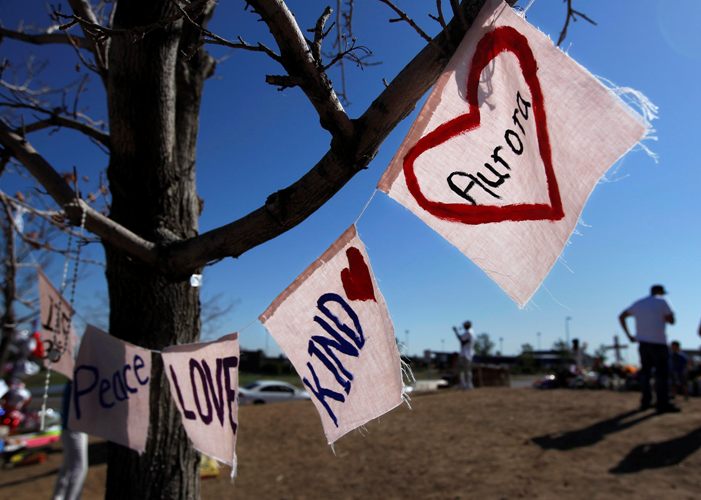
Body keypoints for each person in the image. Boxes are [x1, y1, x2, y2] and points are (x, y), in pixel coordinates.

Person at [619, 284, 679, 413]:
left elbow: (622, 316)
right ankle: (662, 403)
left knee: (645, 373)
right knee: (661, 374)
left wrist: (629, 335)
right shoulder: (662, 301)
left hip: (643, 344)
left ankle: (646, 401)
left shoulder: (639, 303)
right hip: (659, 343)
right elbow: (672, 320)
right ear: (660, 292)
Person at [52, 382, 88, 500]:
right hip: (74, 429)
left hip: (70, 428)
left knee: (68, 466)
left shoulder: (73, 382)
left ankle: (58, 496)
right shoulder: (77, 382)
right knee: (79, 468)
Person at [452, 321, 474, 390]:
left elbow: (461, 340)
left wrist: (455, 332)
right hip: (469, 353)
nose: (464, 326)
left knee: (462, 370)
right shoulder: (471, 332)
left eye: (464, 325)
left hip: (465, 354)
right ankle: (468, 384)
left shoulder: (468, 332)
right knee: (467, 370)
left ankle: (464, 384)